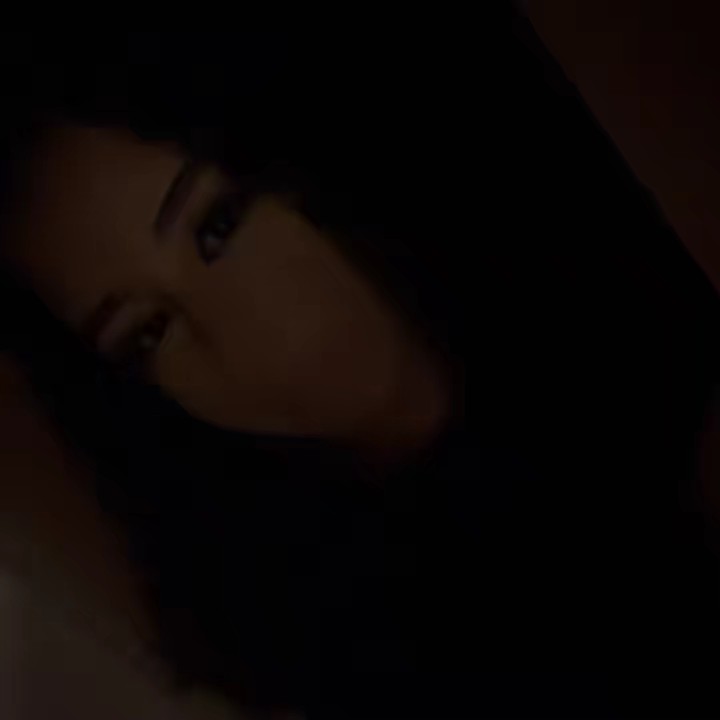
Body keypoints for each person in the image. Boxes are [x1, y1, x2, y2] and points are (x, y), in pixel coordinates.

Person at [1, 16, 720, 718]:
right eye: (147, 332)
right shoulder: (306, 630)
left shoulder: (635, 246)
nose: (237, 332)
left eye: (218, 225)